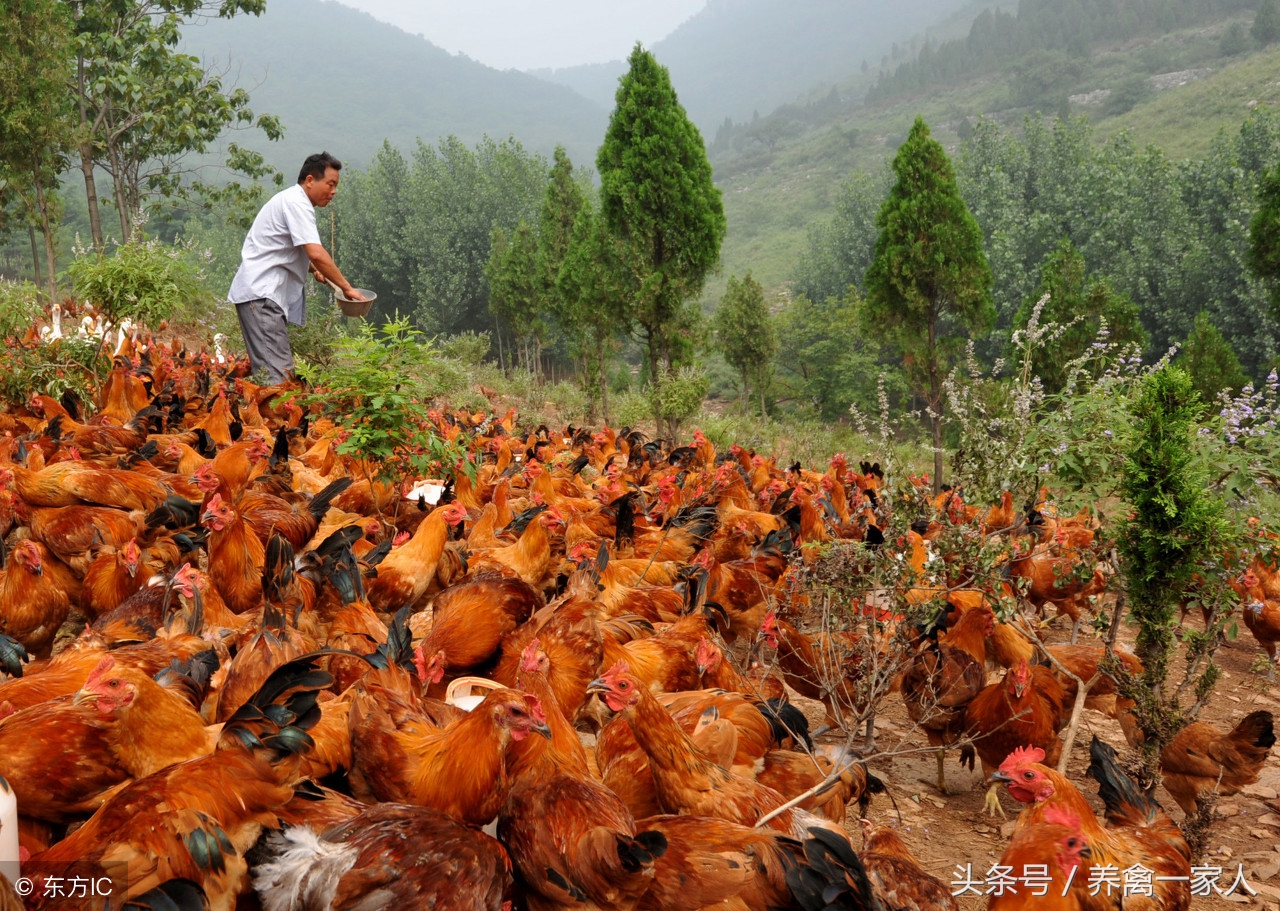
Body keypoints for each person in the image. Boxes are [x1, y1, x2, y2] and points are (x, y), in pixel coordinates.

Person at [227, 151, 364, 383]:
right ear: (310, 180)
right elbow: (315, 252)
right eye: (330, 184)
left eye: (336, 186)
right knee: (279, 379)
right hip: (262, 297)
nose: (334, 191)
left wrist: (312, 269)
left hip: (259, 297)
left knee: (271, 376)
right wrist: (345, 287)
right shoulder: (297, 203)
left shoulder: (291, 200)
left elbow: (285, 249)